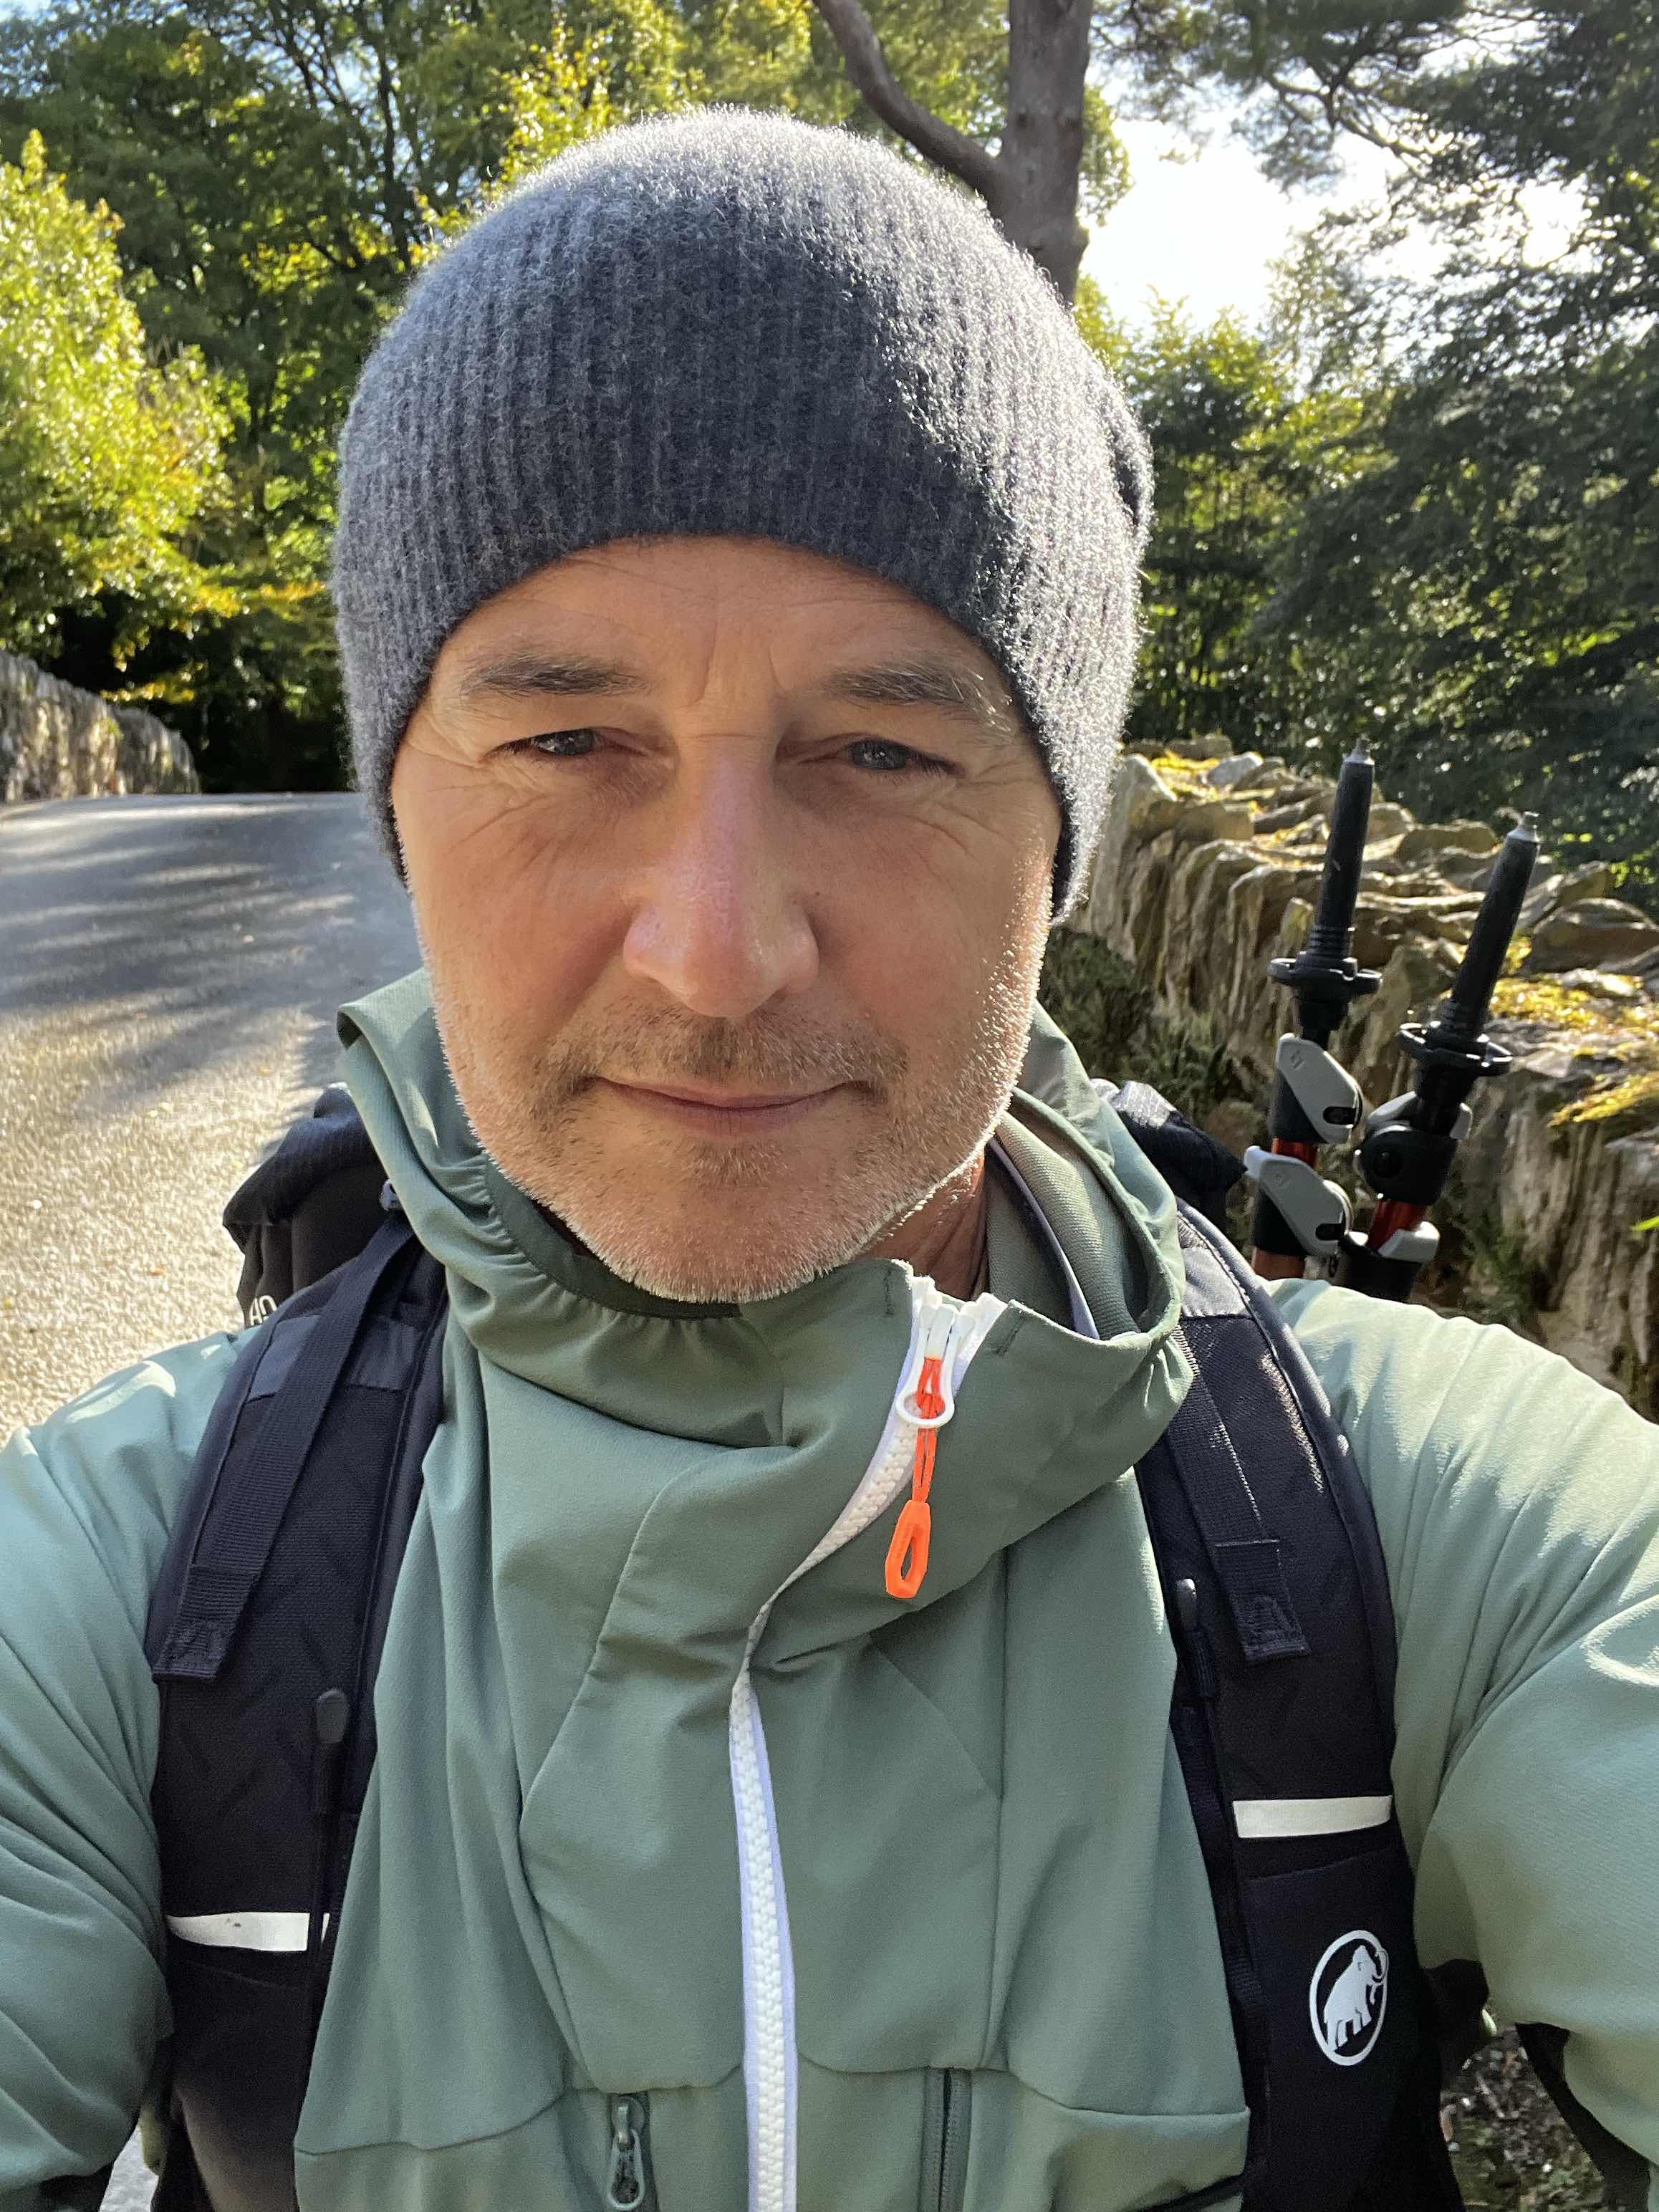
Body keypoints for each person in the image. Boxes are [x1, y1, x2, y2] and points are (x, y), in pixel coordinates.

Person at [2, 107, 1656, 2212]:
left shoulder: (1475, 1540)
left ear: (1062, 850)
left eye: (881, 749)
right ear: (398, 808)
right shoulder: (99, 1588)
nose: (716, 955)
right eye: (566, 742)